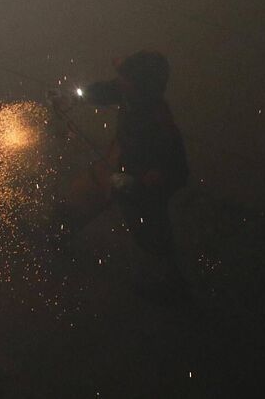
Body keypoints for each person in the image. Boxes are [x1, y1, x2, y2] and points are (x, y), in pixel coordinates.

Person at [51, 50, 190, 297]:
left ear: (142, 86)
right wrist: (72, 98)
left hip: (142, 185)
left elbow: (178, 172)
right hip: (118, 162)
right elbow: (105, 91)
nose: (121, 81)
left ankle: (170, 284)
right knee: (87, 192)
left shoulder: (159, 122)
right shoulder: (129, 93)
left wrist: (140, 182)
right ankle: (55, 232)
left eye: (127, 78)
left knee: (150, 232)